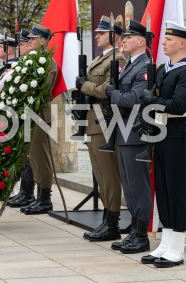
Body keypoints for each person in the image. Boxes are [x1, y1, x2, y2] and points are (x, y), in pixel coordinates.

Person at [140, 21, 186, 268]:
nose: (164, 42)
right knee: (163, 189)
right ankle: (165, 243)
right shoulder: (166, 69)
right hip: (162, 132)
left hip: (178, 133)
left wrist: (152, 99)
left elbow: (178, 105)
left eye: (169, 39)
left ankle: (177, 248)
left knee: (175, 190)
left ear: (182, 43)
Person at [75, 16, 126, 240]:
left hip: (104, 120)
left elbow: (107, 89)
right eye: (96, 32)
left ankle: (112, 222)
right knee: (99, 172)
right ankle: (107, 218)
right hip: (91, 119)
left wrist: (83, 85)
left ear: (114, 36)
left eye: (102, 33)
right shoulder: (100, 58)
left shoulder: (119, 57)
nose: (96, 36)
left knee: (108, 174)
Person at [105, 19, 151, 253]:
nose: (124, 41)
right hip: (123, 132)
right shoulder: (131, 64)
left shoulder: (144, 65)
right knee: (129, 186)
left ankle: (142, 235)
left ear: (141, 41)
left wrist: (113, 94)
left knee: (137, 185)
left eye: (129, 38)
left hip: (134, 133)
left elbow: (135, 99)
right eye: (123, 38)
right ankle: (134, 231)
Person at [20, 23, 58, 215]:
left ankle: (45, 198)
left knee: (40, 157)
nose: (30, 41)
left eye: (33, 39)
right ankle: (37, 196)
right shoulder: (33, 61)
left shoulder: (48, 63)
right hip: (29, 114)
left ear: (43, 41)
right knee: (32, 157)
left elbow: (44, 90)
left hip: (40, 115)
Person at [8, 28, 36, 208]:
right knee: (23, 155)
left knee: (31, 156)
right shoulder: (23, 62)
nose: (19, 47)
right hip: (20, 114)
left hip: (31, 115)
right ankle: (24, 191)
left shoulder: (35, 62)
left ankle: (30, 193)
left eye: (23, 44)